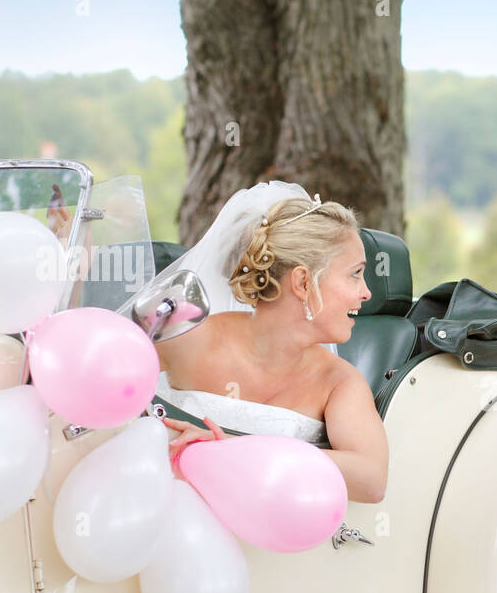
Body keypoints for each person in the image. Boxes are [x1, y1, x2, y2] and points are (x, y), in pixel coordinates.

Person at [154, 185, 388, 504]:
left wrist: (236, 449)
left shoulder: (339, 383)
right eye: (355, 275)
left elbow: (371, 480)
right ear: (304, 283)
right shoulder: (184, 340)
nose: (366, 293)